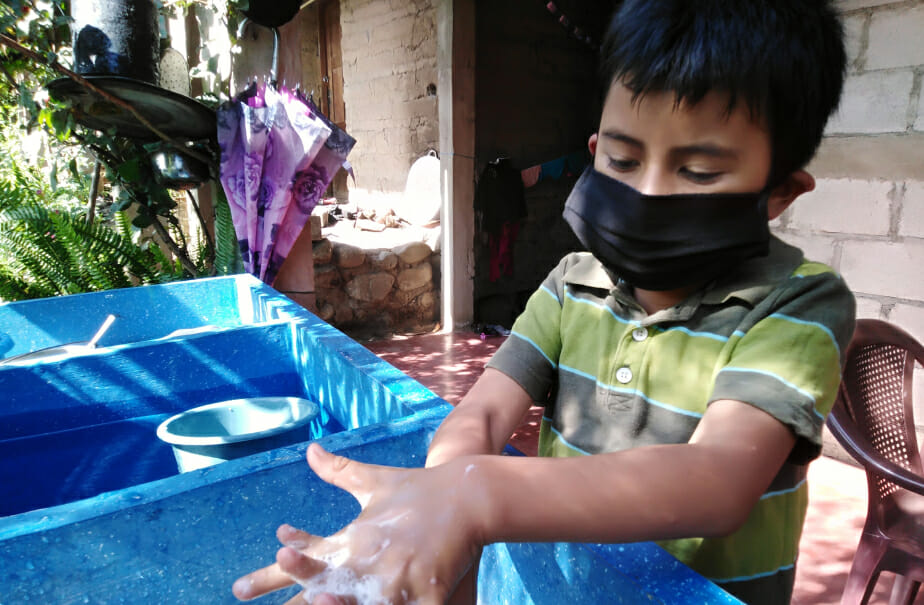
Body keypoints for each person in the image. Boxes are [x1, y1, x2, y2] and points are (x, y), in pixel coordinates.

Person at [232, 1, 855, 603]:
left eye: (698, 172)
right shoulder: (570, 285)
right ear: (594, 152)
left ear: (779, 192)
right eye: (623, 159)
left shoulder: (797, 305)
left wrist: (476, 496)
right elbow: (481, 415)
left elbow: (717, 481)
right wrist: (432, 505)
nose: (649, 191)